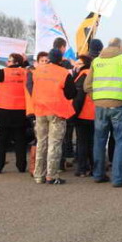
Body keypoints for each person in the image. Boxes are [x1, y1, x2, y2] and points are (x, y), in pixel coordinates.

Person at [84, 37, 122, 188]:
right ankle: (118, 178)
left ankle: (98, 174)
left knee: (99, 140)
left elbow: (87, 86)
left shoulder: (96, 61)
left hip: (100, 106)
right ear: (121, 47)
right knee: (121, 141)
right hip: (119, 104)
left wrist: (96, 98)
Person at [30, 48, 75, 185]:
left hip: (39, 110)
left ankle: (39, 175)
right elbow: (71, 93)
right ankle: (52, 175)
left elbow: (32, 87)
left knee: (41, 142)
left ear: (49, 58)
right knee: (54, 144)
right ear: (61, 59)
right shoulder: (64, 73)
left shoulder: (37, 71)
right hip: (56, 111)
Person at [0, 51, 28, 174]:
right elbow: (25, 70)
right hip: (20, 109)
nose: (7, 62)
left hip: (4, 109)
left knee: (2, 140)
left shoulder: (3, 73)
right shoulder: (25, 72)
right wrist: (24, 61)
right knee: (20, 140)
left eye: (9, 60)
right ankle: (21, 166)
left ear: (14, 62)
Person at [72, 55, 94, 177]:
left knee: (82, 142)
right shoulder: (94, 74)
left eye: (79, 63)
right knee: (92, 142)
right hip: (95, 113)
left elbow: (79, 97)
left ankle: (82, 168)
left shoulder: (83, 75)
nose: (76, 66)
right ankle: (94, 167)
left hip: (83, 113)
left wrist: (73, 114)